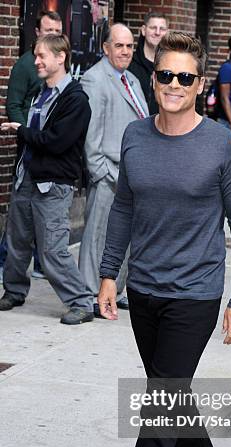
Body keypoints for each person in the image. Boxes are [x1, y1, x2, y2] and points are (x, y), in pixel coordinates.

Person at [97, 31, 231, 447]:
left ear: (200, 84)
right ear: (154, 78)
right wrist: (108, 274)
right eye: (165, 75)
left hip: (196, 293)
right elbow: (123, 208)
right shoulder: (136, 138)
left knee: (158, 408)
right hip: (144, 290)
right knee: (175, 397)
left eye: (185, 77)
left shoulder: (221, 145)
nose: (173, 84)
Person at [0, 34, 94, 325]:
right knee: (16, 241)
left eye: (41, 56)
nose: (36, 61)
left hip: (52, 185)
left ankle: (81, 302)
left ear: (60, 57)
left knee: (52, 248)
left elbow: (56, 141)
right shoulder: (41, 93)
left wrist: (21, 130)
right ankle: (14, 291)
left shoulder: (76, 100)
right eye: (36, 55)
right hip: (27, 177)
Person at [79, 23, 148, 317]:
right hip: (108, 173)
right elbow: (91, 133)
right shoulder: (95, 79)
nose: (126, 51)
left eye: (130, 46)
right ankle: (88, 295)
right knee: (97, 237)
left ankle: (114, 291)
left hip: (130, 175)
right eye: (119, 45)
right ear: (106, 48)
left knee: (123, 238)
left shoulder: (131, 79)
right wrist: (100, 171)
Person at [3, 10, 63, 281]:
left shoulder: (61, 65)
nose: (52, 35)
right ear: (37, 32)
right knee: (22, 208)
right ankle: (7, 262)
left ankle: (40, 264)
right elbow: (13, 105)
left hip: (49, 145)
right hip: (30, 145)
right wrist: (25, 132)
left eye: (57, 31)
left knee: (40, 206)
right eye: (47, 30)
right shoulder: (26, 65)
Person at [129, 11, 168, 114]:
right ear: (143, 30)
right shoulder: (129, 64)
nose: (157, 32)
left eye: (162, 29)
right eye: (153, 28)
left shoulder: (171, 67)